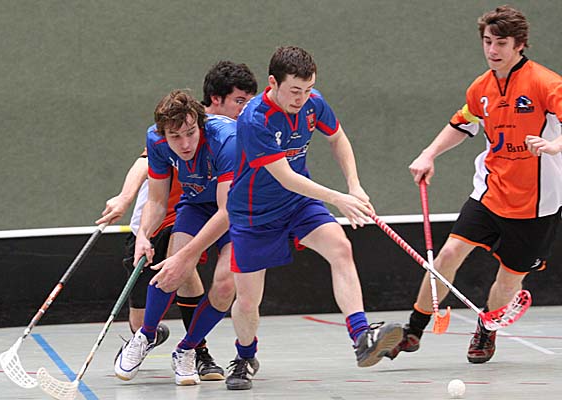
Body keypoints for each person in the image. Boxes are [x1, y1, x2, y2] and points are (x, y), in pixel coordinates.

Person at [387, 5, 562, 364]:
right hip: (490, 191)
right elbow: (462, 123)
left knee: (509, 280)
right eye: (487, 41)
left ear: (520, 44)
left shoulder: (546, 83)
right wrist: (429, 154)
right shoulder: (481, 88)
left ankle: (486, 329)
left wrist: (555, 145)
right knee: (447, 255)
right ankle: (414, 330)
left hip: (537, 203)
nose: (492, 50)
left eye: (501, 43)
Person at [225, 46, 403, 391]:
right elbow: (284, 176)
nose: (302, 98)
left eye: (308, 90)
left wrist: (355, 185)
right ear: (273, 83)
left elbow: (338, 139)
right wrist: (339, 198)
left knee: (340, 247)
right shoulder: (255, 119)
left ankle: (361, 337)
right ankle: (245, 356)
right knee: (247, 301)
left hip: (298, 203)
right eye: (295, 90)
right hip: (254, 215)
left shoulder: (312, 103)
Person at [100, 61, 257, 381]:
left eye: (190, 134)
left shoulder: (226, 139)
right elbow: (158, 200)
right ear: (163, 135)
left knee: (225, 285)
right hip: (195, 206)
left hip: (235, 211)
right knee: (172, 271)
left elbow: (226, 212)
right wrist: (144, 234)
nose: (185, 144)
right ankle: (144, 336)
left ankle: (187, 348)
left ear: (200, 124)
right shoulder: (156, 141)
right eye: (175, 137)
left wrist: (185, 255)